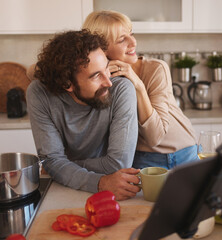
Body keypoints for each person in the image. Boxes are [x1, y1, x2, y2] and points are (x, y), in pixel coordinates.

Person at [26, 29, 140, 200]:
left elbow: (118, 164)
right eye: (96, 76)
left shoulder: (121, 89)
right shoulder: (39, 94)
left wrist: (59, 167)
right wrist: (100, 182)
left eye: (107, 69)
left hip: (111, 188)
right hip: (66, 189)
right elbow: (52, 161)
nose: (108, 82)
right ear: (67, 83)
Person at [83, 11, 199, 169]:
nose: (133, 42)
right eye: (122, 39)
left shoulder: (155, 68)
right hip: (140, 159)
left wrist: (138, 85)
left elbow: (155, 137)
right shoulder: (96, 78)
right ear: (101, 49)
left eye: (131, 34)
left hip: (184, 152)